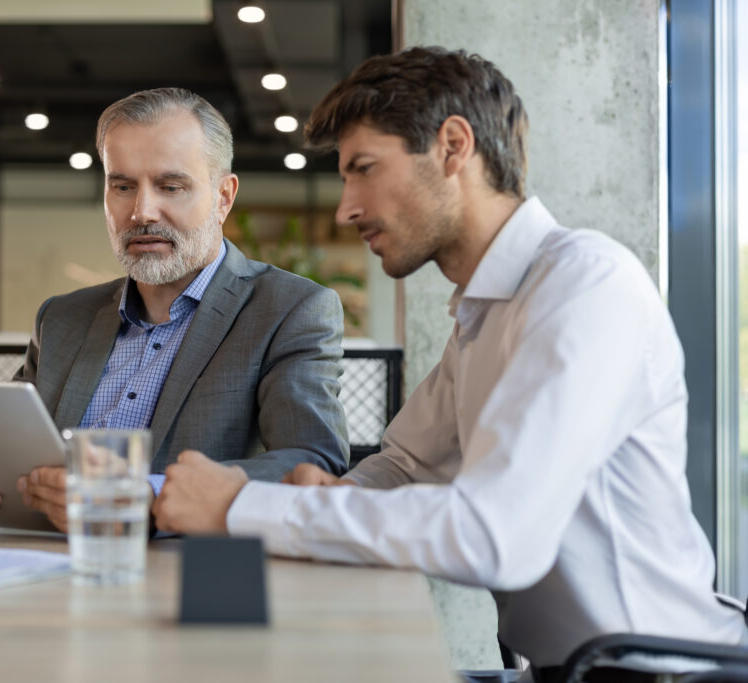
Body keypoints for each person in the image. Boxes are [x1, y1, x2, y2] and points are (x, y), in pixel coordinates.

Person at [151, 48, 748, 675]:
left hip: (666, 671)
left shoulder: (585, 284)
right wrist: (337, 494)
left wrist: (242, 506)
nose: (346, 208)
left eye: (364, 169)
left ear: (452, 147)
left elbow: (497, 536)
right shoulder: (486, 309)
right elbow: (409, 465)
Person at [0, 88, 349, 533]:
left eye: (170, 186)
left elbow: (311, 462)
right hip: (40, 568)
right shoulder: (62, 319)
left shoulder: (289, 310)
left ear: (223, 197)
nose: (141, 211)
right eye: (122, 186)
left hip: (185, 577)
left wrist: (147, 497)